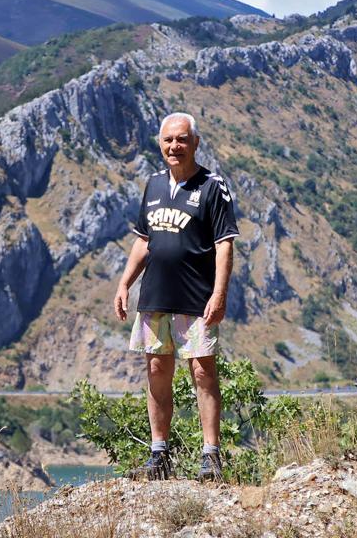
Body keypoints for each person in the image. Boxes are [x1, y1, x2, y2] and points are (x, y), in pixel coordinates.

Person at [113, 112, 239, 481]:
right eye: (168, 140)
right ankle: (158, 454)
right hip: (155, 296)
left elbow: (224, 246)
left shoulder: (213, 187)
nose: (175, 146)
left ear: (195, 143)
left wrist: (219, 294)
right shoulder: (152, 186)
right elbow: (144, 241)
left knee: (203, 371)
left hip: (197, 299)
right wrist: (124, 283)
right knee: (156, 369)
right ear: (160, 143)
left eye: (182, 139)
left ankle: (211, 457)